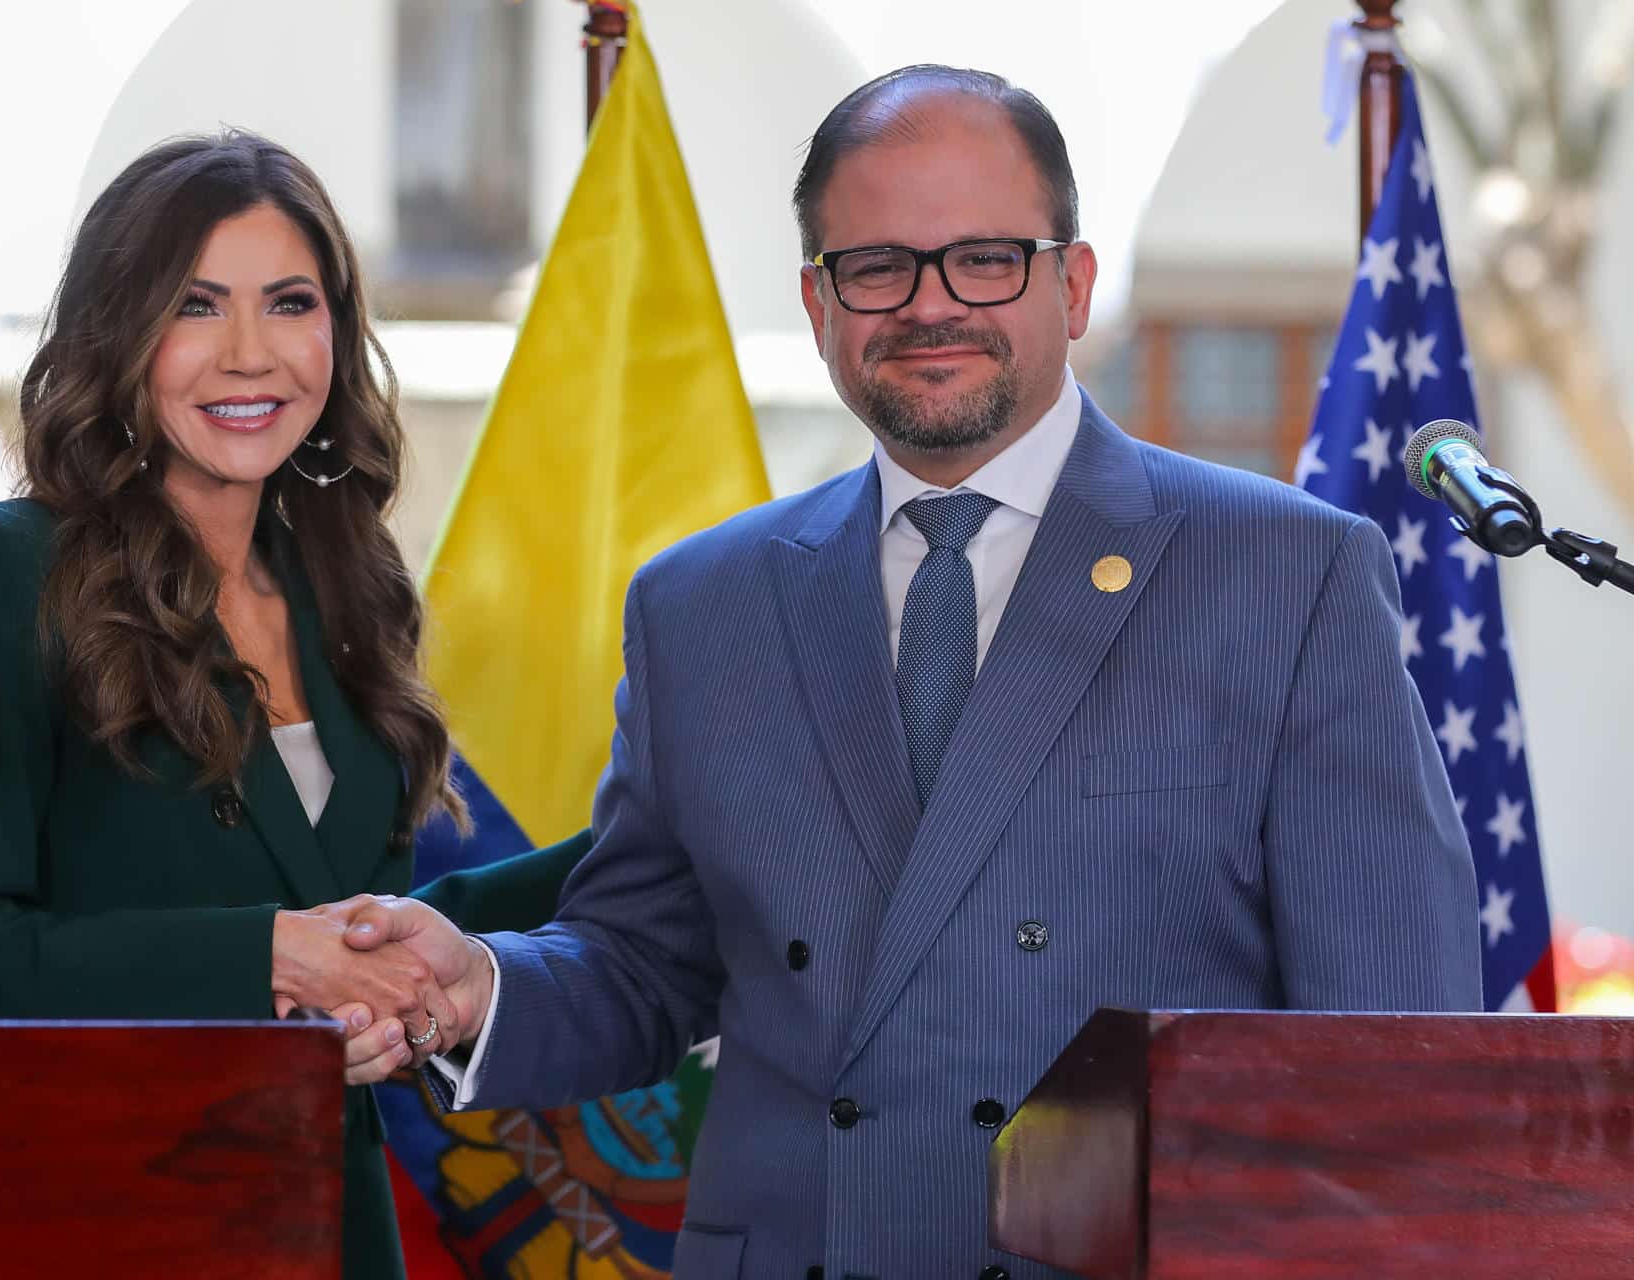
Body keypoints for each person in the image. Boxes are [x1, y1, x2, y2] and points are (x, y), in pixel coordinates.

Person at [332, 67, 1484, 1279]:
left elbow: (1391, 1050)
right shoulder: (699, 604)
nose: (931, 305)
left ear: (1073, 283)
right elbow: (645, 963)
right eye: (877, 265)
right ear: (819, 303)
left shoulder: (1285, 574)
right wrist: (478, 987)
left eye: (986, 257)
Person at [0, 130, 585, 1280]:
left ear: (337, 334)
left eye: (290, 302)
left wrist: (661, 835)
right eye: (196, 306)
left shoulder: (352, 584)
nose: (250, 355)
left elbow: (356, 918)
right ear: (120, 333)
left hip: (327, 1217)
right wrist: (275, 958)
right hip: (101, 1221)